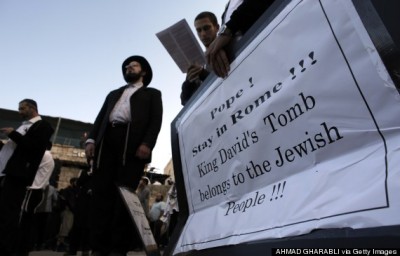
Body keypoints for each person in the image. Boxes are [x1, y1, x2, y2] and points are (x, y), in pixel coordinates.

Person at [85, 55, 163, 256]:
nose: (128, 68)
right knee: (101, 196)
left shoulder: (152, 94)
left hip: (132, 145)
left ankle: (118, 249)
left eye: (133, 65)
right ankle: (98, 248)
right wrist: (91, 140)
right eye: (126, 66)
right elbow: (101, 117)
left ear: (143, 71)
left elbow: (155, 121)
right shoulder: (113, 94)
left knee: (124, 198)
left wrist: (147, 143)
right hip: (107, 143)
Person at [0, 99, 54, 256]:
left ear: (33, 108)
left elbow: (33, 147)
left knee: (10, 214)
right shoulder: (24, 126)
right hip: (7, 173)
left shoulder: (42, 126)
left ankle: (8, 247)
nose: (20, 111)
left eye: (22, 108)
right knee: (4, 212)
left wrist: (13, 134)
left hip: (19, 176)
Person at [206, 0, 276, 78]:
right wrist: (219, 50)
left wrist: (230, 28)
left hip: (273, 54)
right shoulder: (226, 10)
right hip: (252, 71)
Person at [180, 11, 220, 106]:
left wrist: (203, 74)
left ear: (217, 28)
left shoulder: (228, 48)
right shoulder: (196, 61)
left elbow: (229, 82)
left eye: (206, 28)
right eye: (199, 30)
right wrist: (188, 83)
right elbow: (184, 101)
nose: (203, 34)